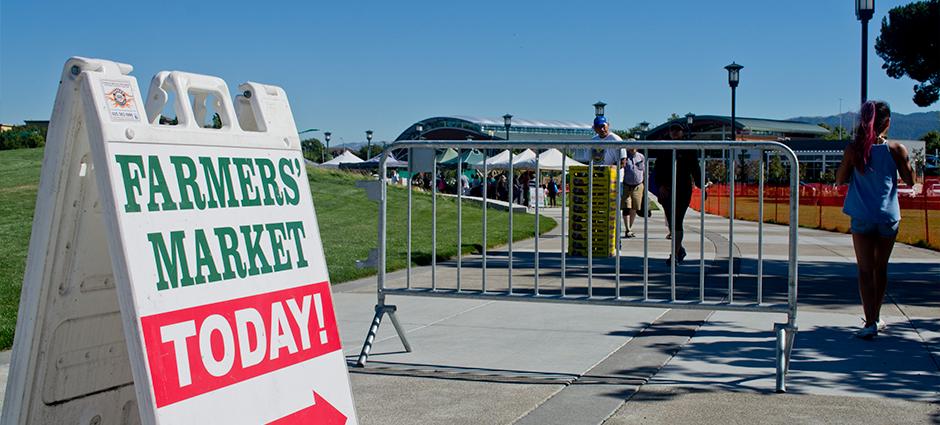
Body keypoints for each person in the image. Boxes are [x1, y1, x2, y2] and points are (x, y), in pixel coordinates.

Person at [835, 100, 914, 340]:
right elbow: (910, 180)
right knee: (881, 268)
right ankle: (877, 316)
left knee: (864, 269)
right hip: (888, 215)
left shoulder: (854, 149)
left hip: (861, 214)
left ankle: (870, 322)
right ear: (887, 123)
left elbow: (840, 179)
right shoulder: (896, 149)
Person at [652, 124, 702, 264]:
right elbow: (658, 167)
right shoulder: (664, 147)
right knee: (671, 222)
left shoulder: (688, 147)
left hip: (683, 189)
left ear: (682, 132)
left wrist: (701, 184)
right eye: (672, 130)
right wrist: (660, 185)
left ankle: (674, 255)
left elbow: (695, 167)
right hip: (666, 189)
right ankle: (679, 250)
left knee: (677, 221)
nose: (674, 132)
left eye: (677, 130)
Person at [621, 146, 646, 238]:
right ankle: (627, 229)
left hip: (638, 185)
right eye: (630, 146)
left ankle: (630, 228)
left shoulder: (641, 157)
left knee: (634, 207)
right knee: (626, 206)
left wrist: (645, 183)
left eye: (634, 146)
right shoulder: (624, 157)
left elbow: (644, 170)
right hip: (626, 185)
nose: (632, 148)